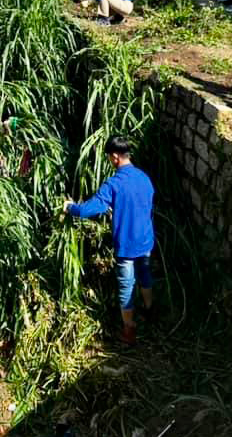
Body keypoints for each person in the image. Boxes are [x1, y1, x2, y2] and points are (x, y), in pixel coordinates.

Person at [65, 136, 154, 345]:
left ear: (115, 157)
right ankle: (150, 312)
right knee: (145, 274)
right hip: (146, 240)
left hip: (127, 244)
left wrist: (71, 207)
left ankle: (129, 330)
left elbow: (90, 209)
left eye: (109, 158)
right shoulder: (144, 177)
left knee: (125, 286)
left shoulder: (114, 184)